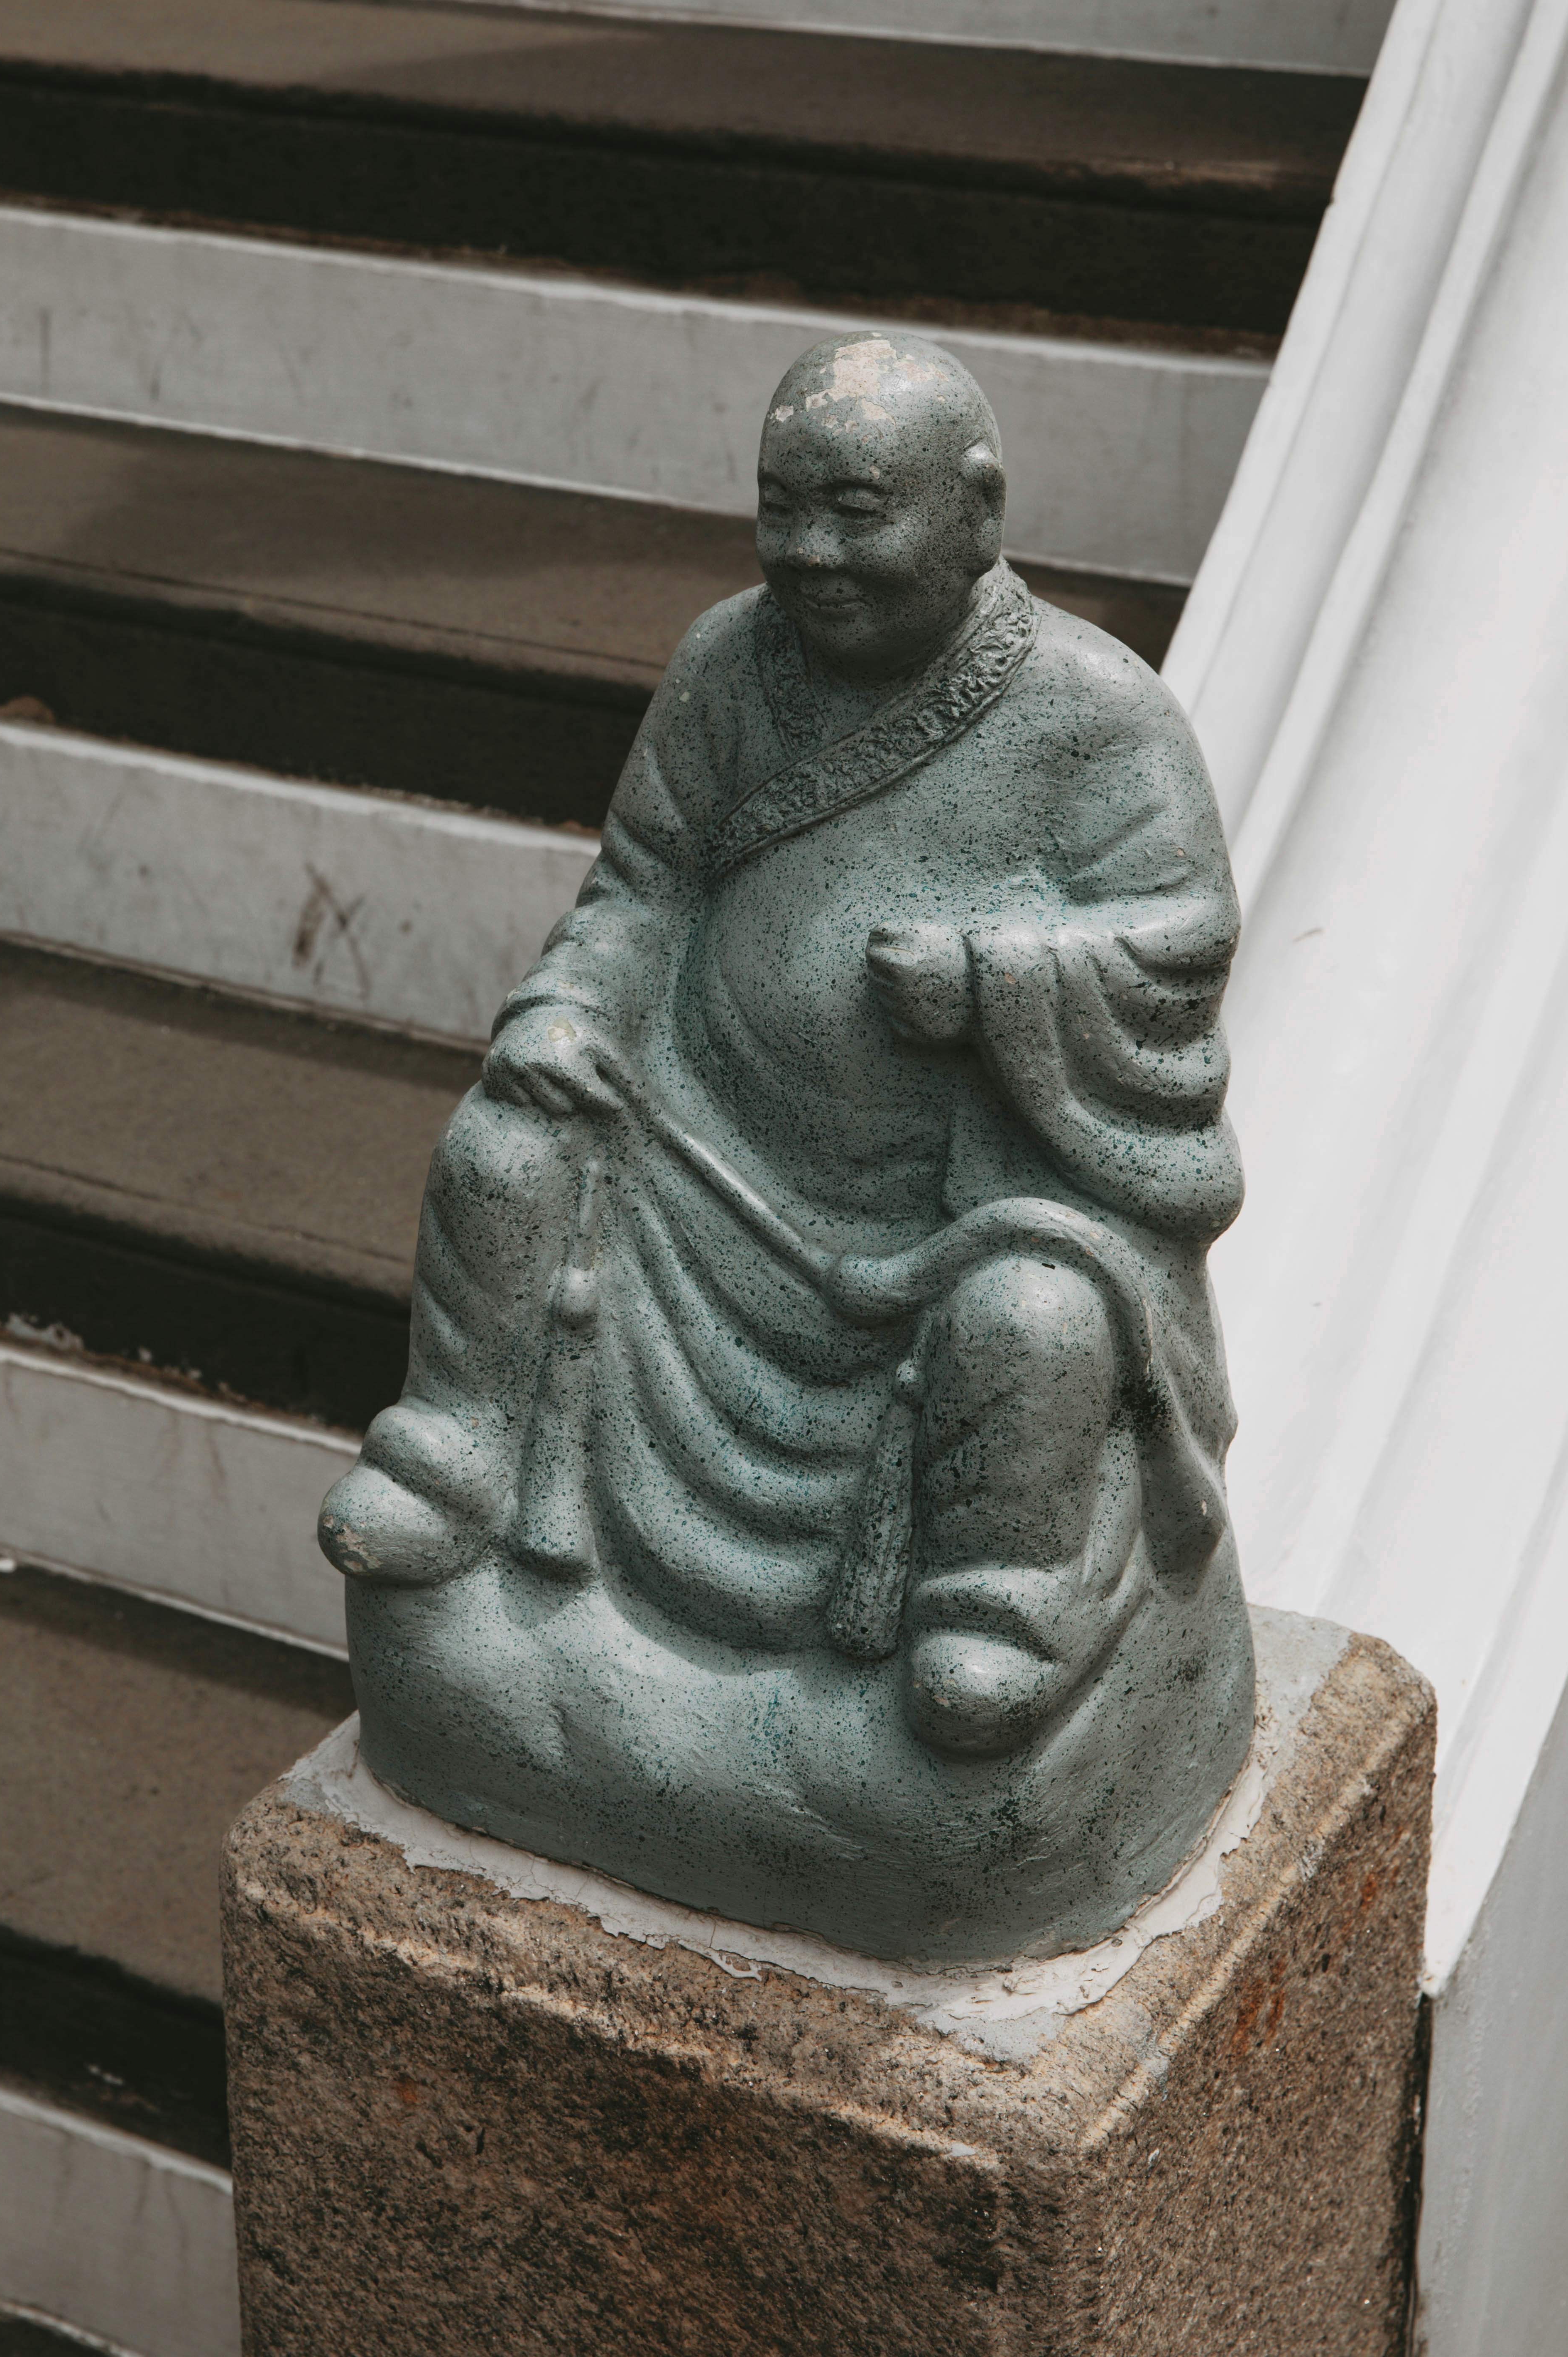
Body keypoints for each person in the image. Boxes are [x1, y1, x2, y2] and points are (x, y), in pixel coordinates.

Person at [321, 331, 1255, 1962]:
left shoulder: (1096, 717)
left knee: (1032, 1323)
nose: (809, 551)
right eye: (780, 507)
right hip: (701, 1155)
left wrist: (993, 977)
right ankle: (459, 1456)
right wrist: (567, 1014)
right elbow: (642, 890)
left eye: (855, 511)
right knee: (505, 1155)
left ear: (976, 512)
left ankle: (994, 1604)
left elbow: (1179, 945)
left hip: (971, 1202)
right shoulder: (725, 667)